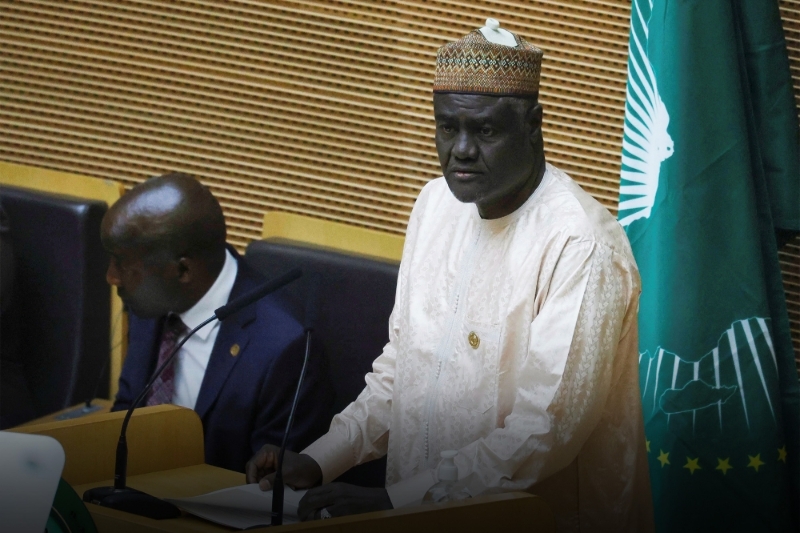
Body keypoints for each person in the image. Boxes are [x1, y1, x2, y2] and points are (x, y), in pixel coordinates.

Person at [247, 20, 653, 531]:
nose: (460, 150)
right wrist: (322, 457)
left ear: (533, 125)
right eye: (447, 127)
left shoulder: (580, 244)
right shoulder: (436, 204)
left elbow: (543, 432)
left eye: (484, 130)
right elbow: (404, 367)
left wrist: (400, 500)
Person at [105, 172, 332, 472]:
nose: (111, 277)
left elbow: (273, 480)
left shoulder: (283, 346)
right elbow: (128, 410)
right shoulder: (152, 297)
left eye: (123, 265)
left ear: (182, 271)